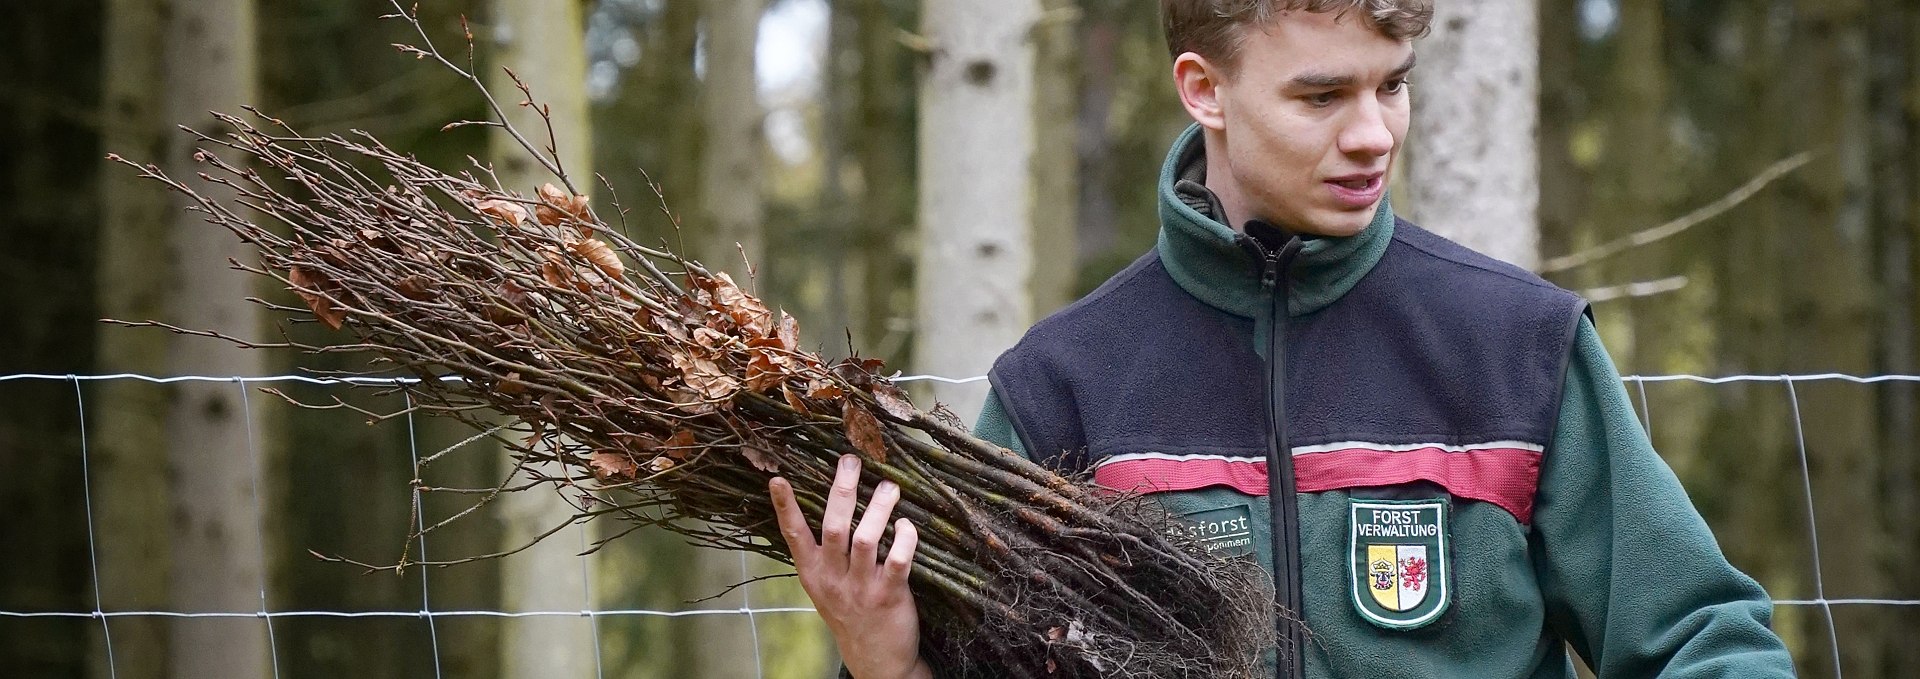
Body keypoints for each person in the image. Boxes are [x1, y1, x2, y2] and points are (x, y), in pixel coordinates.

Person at [769, 1, 1798, 677]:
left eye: (1390, 83)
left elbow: (1706, 643)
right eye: (1322, 95)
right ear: (1203, 89)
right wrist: (886, 660)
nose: (1374, 133)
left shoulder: (1516, 348)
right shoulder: (1064, 386)